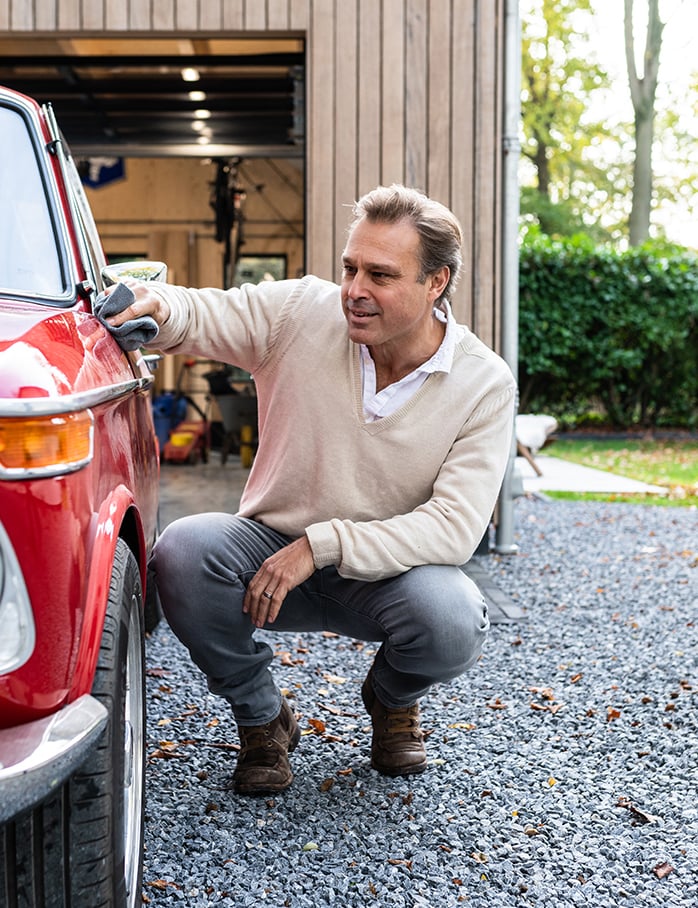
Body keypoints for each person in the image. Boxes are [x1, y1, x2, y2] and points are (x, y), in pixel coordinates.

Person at [106, 184, 516, 795]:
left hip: (391, 575)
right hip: (268, 548)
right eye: (350, 267)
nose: (354, 290)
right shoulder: (301, 311)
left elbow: (454, 529)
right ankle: (262, 717)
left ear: (437, 283)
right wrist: (156, 304)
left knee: (453, 618)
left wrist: (320, 546)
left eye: (381, 274)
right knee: (183, 552)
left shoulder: (483, 383)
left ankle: (391, 698)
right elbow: (202, 313)